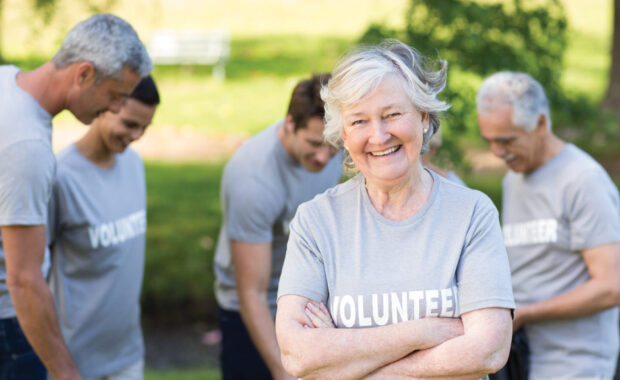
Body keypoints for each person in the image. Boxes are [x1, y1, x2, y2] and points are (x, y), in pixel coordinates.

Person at [275, 39, 515, 379]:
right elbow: (298, 355)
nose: (378, 135)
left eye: (392, 114)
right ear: (343, 134)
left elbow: (488, 350)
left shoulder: (472, 213)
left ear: (423, 117)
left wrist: (347, 360)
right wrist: (421, 333)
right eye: (359, 121)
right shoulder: (316, 221)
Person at [0, 14, 151, 380]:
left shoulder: (7, 79)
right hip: (11, 328)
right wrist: (68, 374)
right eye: (115, 96)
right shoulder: (29, 148)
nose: (116, 109)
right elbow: (23, 279)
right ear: (83, 74)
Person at [476, 71, 620, 379]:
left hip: (574, 363)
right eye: (489, 141)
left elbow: (612, 286)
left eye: (506, 140)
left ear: (540, 124)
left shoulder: (583, 180)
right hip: (520, 357)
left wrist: (527, 313)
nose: (497, 153)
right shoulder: (512, 180)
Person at [213, 74, 342, 380]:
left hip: (308, 300)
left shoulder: (336, 145)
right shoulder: (254, 179)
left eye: (332, 146)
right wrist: (282, 371)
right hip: (255, 310)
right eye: (313, 144)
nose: (324, 157)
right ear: (289, 124)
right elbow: (251, 293)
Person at [47, 76, 159, 380]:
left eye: (145, 128)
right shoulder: (61, 178)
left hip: (127, 356)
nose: (136, 136)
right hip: (74, 362)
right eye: (129, 124)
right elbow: (31, 275)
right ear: (107, 107)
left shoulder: (134, 165)